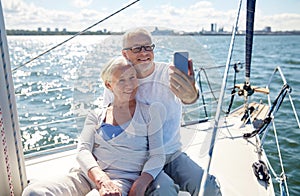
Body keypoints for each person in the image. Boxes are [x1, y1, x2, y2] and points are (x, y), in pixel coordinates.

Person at [22, 56, 178, 196]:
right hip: (88, 176)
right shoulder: (95, 115)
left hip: (122, 180)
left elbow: (157, 155)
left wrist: (141, 183)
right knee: (33, 192)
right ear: (109, 85)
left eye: (132, 77)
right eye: (121, 80)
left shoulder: (150, 113)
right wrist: (101, 179)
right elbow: (83, 150)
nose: (130, 85)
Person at [103, 28, 222, 196]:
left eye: (148, 47)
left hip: (171, 153)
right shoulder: (117, 80)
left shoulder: (169, 73)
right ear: (125, 54)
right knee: (164, 190)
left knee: (207, 186)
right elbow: (108, 120)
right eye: (137, 48)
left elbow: (190, 97)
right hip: (139, 159)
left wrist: (191, 94)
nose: (144, 53)